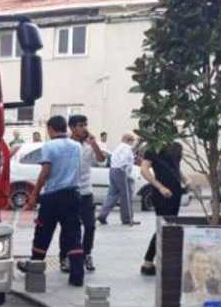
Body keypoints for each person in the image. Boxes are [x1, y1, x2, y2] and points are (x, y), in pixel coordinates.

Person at [16, 116, 85, 286]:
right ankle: (77, 275)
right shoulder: (77, 146)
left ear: (50, 129)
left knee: (43, 232)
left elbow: (45, 171)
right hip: (72, 194)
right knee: (73, 235)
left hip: (52, 196)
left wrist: (34, 195)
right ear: (65, 128)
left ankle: (35, 266)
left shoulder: (49, 146)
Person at [59, 115, 106, 273]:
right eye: (80, 125)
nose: (84, 128)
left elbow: (101, 160)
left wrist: (94, 144)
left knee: (90, 226)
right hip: (69, 191)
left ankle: (87, 254)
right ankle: (65, 257)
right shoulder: (66, 145)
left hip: (86, 192)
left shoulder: (88, 145)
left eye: (85, 124)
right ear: (72, 128)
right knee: (68, 227)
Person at [139, 142, 186, 276]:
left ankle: (159, 261)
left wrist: (185, 180)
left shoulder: (176, 146)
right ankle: (148, 261)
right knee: (164, 225)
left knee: (170, 225)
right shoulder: (153, 148)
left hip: (175, 191)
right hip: (161, 193)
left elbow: (176, 168)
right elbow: (144, 170)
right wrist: (160, 187)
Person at [97, 133, 138, 225]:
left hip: (113, 170)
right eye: (132, 140)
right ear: (129, 140)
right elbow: (124, 160)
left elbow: (131, 152)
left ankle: (102, 215)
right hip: (121, 171)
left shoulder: (119, 147)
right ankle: (127, 219)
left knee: (112, 195)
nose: (133, 143)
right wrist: (125, 172)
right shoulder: (126, 148)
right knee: (126, 195)